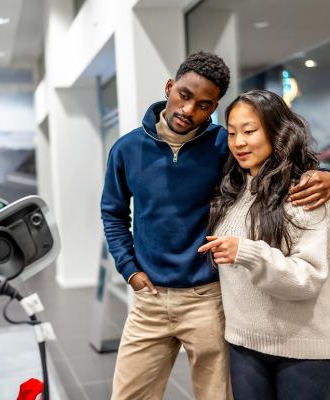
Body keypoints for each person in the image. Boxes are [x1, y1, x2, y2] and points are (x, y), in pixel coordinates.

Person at [101, 52, 330, 400]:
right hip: (149, 299)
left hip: (207, 297)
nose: (189, 110)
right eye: (184, 95)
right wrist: (128, 268)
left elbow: (282, 163)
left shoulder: (225, 144)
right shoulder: (126, 149)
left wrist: (327, 177)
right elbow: (113, 213)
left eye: (205, 105)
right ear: (169, 87)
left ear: (214, 107)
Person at [198, 89, 330, 400]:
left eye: (249, 130)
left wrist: (246, 252)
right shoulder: (232, 192)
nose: (239, 142)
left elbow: (307, 279)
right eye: (232, 133)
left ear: (276, 130)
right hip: (244, 346)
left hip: (302, 349)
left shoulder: (306, 192)